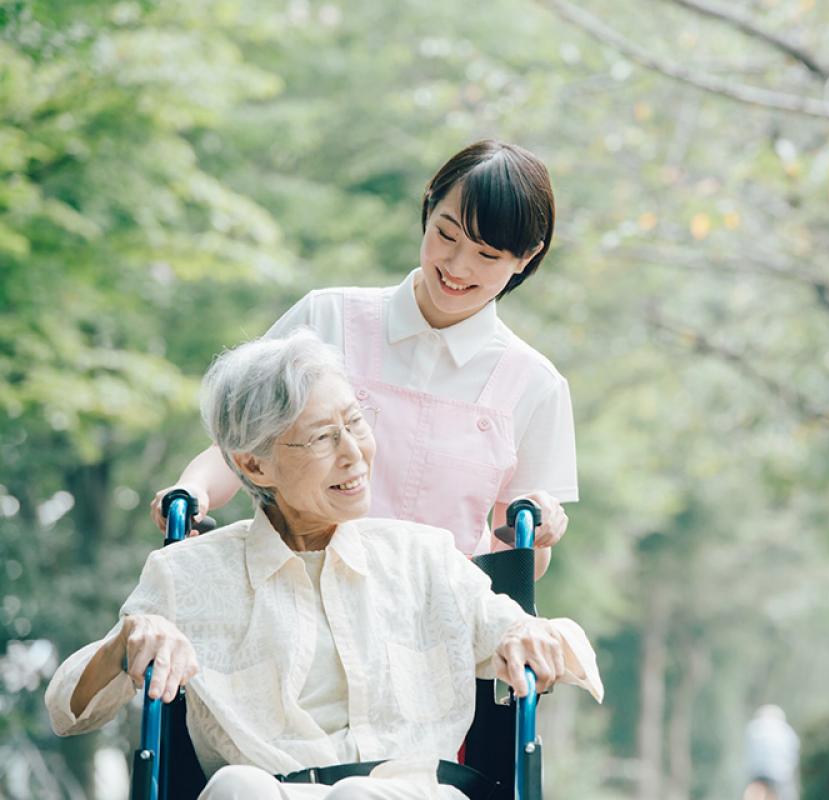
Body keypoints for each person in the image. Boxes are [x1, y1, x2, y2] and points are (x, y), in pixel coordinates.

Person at [47, 331, 602, 799]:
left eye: (356, 423)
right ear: (252, 464)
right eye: (321, 438)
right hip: (271, 788)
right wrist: (128, 642)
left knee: (360, 795)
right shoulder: (187, 575)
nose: (355, 453)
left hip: (406, 790)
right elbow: (68, 708)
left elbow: (545, 641)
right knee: (239, 787)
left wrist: (534, 636)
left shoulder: (424, 557)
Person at [151, 140, 575, 576]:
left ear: (527, 257)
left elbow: (517, 562)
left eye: (487, 254)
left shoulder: (535, 385)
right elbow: (242, 445)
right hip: (299, 589)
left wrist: (537, 526)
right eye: (446, 235)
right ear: (428, 208)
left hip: (436, 614)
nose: (458, 266)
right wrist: (192, 488)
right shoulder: (326, 318)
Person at [742, 704, 801, 800]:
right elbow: (793, 753)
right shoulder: (786, 730)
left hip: (757, 771)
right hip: (780, 772)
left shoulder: (753, 728)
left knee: (756, 791)